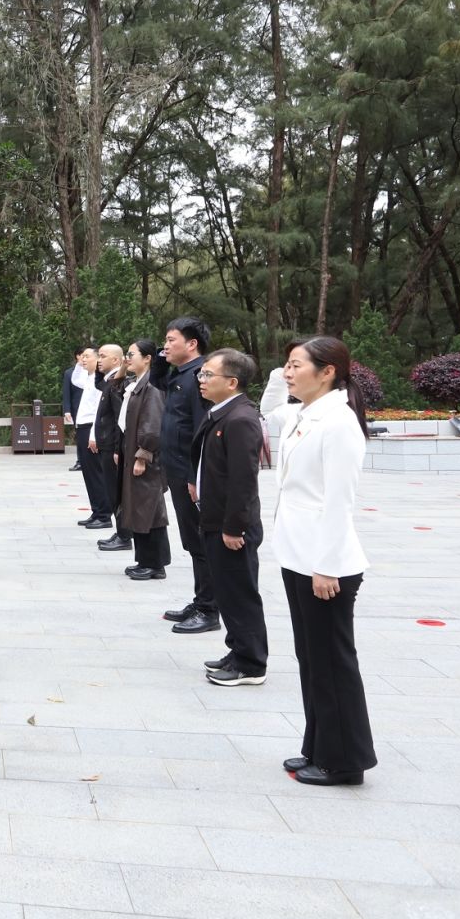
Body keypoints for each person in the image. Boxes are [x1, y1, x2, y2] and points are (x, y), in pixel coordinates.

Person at [269, 335, 377, 786]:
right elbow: (269, 409)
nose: (288, 372)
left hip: (325, 563)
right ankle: (318, 746)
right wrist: (282, 374)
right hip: (298, 553)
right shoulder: (304, 413)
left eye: (297, 365)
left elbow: (339, 501)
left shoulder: (339, 423)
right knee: (312, 659)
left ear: (328, 372)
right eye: (287, 365)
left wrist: (327, 565)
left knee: (332, 662)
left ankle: (345, 762)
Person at [192, 350, 268, 686]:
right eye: (202, 374)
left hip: (231, 526)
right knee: (227, 591)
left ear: (232, 382)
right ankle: (237, 650)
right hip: (215, 518)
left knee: (239, 594)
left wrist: (234, 527)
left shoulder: (240, 419)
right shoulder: (222, 413)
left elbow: (243, 480)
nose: (202, 380)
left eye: (209, 375)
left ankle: (251, 664)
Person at [158, 317, 217, 634]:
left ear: (192, 344)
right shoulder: (180, 374)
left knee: (201, 541)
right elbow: (156, 380)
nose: (165, 346)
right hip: (178, 470)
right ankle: (201, 599)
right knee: (193, 541)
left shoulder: (199, 377)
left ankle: (209, 609)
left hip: (189, 473)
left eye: (171, 340)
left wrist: (196, 477)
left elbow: (201, 430)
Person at [114, 340, 171, 580]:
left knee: (150, 509)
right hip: (132, 453)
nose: (127, 358)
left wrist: (143, 456)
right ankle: (145, 560)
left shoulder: (152, 386)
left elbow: (152, 425)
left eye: (131, 354)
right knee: (139, 508)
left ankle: (154, 563)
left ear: (147, 358)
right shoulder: (136, 382)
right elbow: (113, 388)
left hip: (146, 458)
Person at [93, 345, 131, 551]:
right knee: (111, 491)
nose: (99, 360)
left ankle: (124, 536)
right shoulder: (109, 381)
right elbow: (98, 382)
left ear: (116, 360)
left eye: (103, 356)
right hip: (106, 444)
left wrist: (117, 448)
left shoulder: (118, 383)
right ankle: (121, 532)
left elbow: (119, 419)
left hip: (111, 446)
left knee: (116, 493)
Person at [74, 346, 115, 531]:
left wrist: (94, 435)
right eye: (81, 357)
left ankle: (104, 514)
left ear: (98, 359)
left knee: (96, 474)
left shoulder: (100, 381)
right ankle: (96, 510)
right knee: (89, 475)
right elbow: (75, 379)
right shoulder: (88, 377)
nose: (83, 359)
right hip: (83, 428)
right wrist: (80, 363)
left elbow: (100, 410)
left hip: (92, 428)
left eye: (87, 356)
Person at [62, 349, 89, 470]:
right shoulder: (69, 373)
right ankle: (80, 461)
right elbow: (66, 393)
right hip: (77, 409)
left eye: (87, 356)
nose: (85, 358)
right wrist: (67, 410)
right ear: (77, 356)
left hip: (92, 409)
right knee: (80, 435)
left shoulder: (93, 371)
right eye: (83, 355)